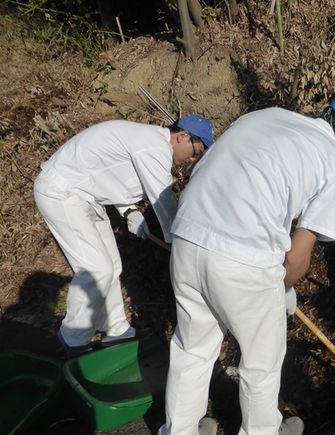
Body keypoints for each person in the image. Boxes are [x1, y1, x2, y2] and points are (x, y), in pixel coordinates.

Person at [156, 94, 335, 435]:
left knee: (191, 346)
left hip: (187, 239)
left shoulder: (267, 116)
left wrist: (278, 285)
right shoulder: (333, 164)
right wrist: (282, 288)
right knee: (262, 354)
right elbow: (297, 256)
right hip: (242, 256)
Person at [33, 115, 214, 358]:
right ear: (182, 136)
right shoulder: (155, 147)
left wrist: (129, 211)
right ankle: (72, 337)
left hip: (86, 196)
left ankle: (116, 328)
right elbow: (164, 200)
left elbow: (111, 175)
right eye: (196, 150)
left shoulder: (148, 142)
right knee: (96, 269)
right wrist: (180, 242)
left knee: (113, 266)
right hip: (61, 192)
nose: (192, 158)